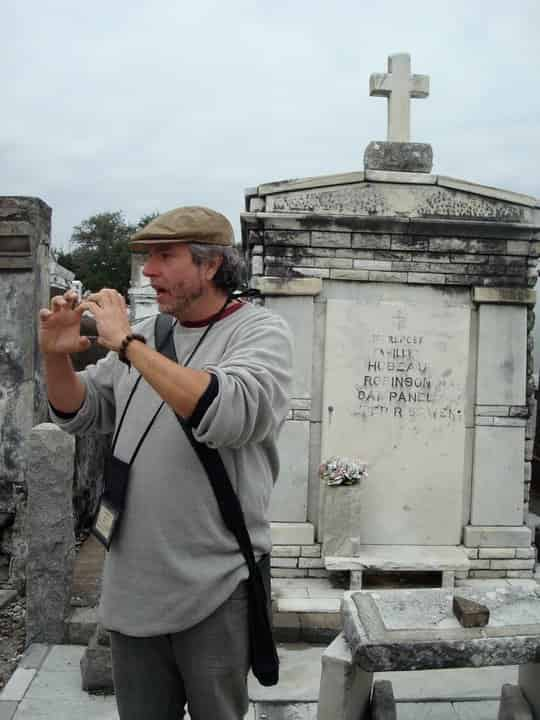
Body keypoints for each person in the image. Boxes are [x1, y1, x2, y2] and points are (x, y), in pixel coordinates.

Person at [39, 206, 293, 720]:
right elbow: (82, 411)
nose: (149, 270)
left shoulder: (260, 333)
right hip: (133, 583)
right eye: (148, 257)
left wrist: (126, 344)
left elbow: (226, 411)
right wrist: (54, 356)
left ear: (211, 265)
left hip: (215, 585)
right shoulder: (152, 336)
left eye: (165, 256)